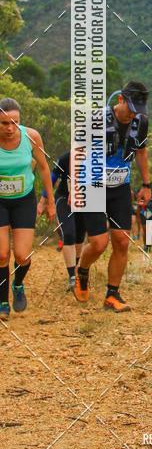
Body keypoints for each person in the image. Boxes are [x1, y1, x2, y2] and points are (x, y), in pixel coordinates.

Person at [73, 81, 152, 312]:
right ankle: (82, 270)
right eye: (130, 108)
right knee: (98, 243)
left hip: (120, 187)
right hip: (93, 183)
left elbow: (141, 151)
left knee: (122, 241)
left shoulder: (141, 122)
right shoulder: (96, 119)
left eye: (138, 110)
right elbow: (79, 151)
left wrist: (147, 184)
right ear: (120, 100)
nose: (133, 114)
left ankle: (112, 294)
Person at [0, 97, 55, 316]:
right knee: (2, 254)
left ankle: (18, 284)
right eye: (4, 123)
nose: (10, 128)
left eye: (14, 122)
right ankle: (3, 301)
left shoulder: (31, 137)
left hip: (23, 200)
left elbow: (43, 169)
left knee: (22, 256)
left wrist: (50, 201)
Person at [38, 151, 86, 290]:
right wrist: (43, 201)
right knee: (69, 234)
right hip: (64, 199)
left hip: (84, 200)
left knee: (79, 237)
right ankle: (72, 276)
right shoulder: (66, 157)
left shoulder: (97, 157)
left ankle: (77, 270)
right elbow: (52, 178)